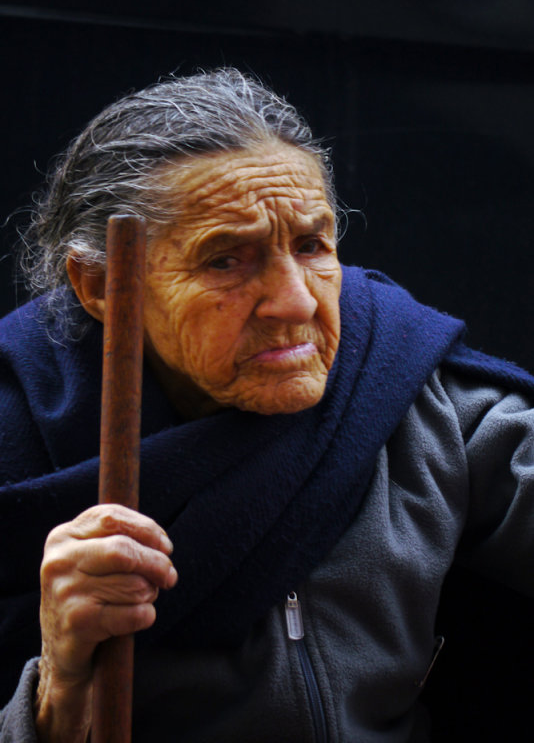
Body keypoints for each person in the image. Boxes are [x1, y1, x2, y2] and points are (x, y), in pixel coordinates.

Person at [0, 68, 533, 742]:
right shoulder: (18, 443)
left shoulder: (403, 385)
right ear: (102, 285)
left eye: (311, 246)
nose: (297, 302)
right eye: (226, 261)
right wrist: (61, 685)